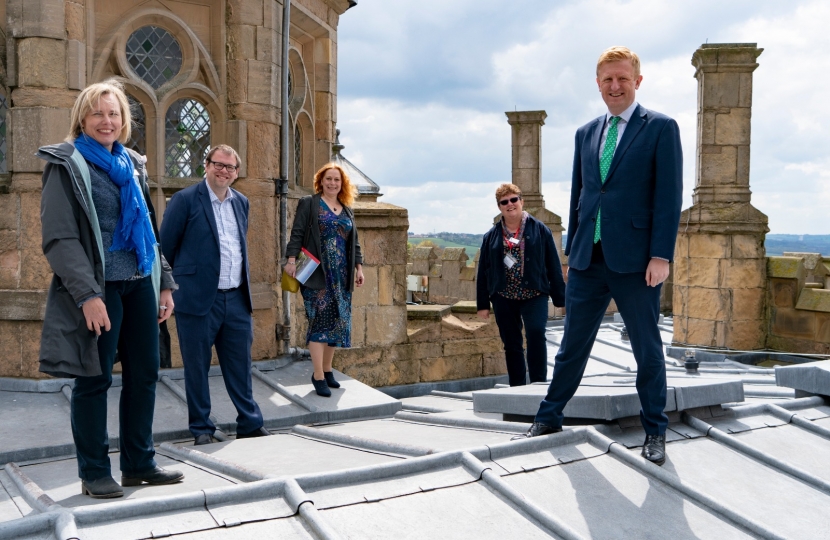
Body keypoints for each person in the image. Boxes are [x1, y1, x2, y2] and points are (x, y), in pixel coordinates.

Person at [515, 46, 683, 466]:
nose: (615, 86)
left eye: (623, 78)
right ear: (598, 84)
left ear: (637, 81)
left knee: (647, 349)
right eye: (608, 79)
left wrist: (661, 256)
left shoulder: (661, 128)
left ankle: (655, 432)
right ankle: (549, 416)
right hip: (589, 259)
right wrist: (572, 253)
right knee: (571, 346)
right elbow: (580, 197)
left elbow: (668, 197)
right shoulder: (586, 133)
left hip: (637, 262)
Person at [38, 80, 183, 499]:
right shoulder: (66, 164)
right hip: (99, 289)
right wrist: (88, 295)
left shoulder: (132, 164)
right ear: (82, 119)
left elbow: (149, 232)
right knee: (94, 379)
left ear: (124, 121)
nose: (107, 121)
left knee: (145, 375)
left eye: (114, 113)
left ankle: (139, 463)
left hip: (140, 283)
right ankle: (95, 472)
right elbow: (60, 239)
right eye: (98, 113)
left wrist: (165, 284)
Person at [160, 144, 269, 445]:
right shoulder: (184, 200)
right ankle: (202, 428)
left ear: (236, 173)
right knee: (196, 366)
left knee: (240, 364)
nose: (223, 170)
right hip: (196, 298)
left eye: (230, 167)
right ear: (206, 166)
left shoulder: (242, 202)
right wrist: (164, 290)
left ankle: (249, 422)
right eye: (217, 164)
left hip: (235, 297)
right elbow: (164, 249)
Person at [286, 163, 365, 397]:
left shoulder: (347, 209)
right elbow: (297, 233)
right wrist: (291, 260)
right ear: (321, 181)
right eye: (328, 179)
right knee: (319, 322)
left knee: (338, 322)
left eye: (337, 180)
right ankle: (317, 375)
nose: (332, 183)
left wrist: (359, 268)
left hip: (342, 275)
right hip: (316, 273)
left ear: (342, 184)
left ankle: (328, 370)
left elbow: (355, 243)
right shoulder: (309, 203)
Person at [476, 184, 566, 386]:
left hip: (534, 294)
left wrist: (561, 298)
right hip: (503, 296)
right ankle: (516, 387)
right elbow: (483, 270)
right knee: (512, 344)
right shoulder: (491, 236)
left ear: (521, 201)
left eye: (514, 199)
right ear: (499, 207)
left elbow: (553, 264)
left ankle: (538, 384)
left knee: (536, 334)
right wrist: (482, 304)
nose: (510, 204)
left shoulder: (540, 229)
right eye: (504, 202)